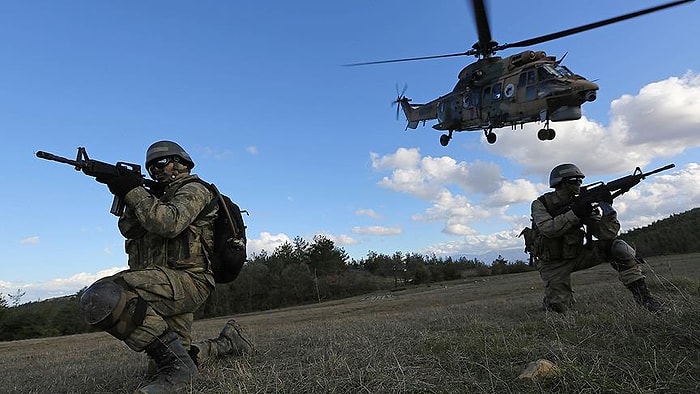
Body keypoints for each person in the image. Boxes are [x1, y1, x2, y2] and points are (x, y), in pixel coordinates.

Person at [78, 140, 253, 393]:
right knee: (164, 363)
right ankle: (227, 343)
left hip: (189, 282)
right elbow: (130, 229)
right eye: (151, 167)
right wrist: (126, 191)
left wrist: (134, 191)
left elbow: (169, 223)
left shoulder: (195, 190)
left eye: (161, 162)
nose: (156, 170)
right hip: (164, 281)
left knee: (104, 295)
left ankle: (180, 369)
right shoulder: (155, 198)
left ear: (182, 163)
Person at [531, 163, 665, 313]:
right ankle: (551, 301)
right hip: (552, 263)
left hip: (578, 254)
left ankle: (646, 301)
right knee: (559, 309)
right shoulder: (541, 204)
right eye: (574, 180)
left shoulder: (582, 202)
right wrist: (575, 213)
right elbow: (548, 229)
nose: (578, 184)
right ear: (560, 183)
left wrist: (608, 209)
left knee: (618, 248)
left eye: (580, 180)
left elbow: (605, 234)